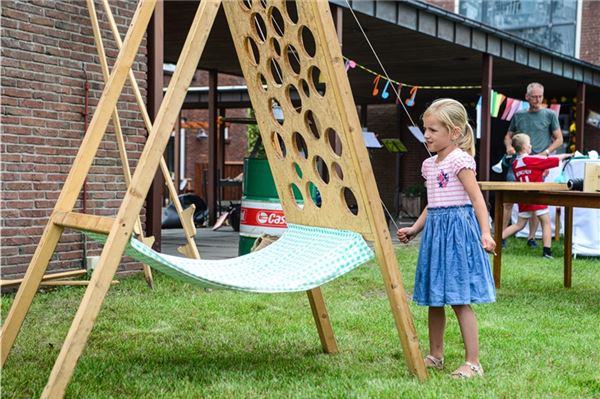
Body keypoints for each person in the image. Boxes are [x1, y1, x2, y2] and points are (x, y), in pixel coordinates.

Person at [396, 99, 496, 379]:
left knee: (459, 299)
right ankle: (436, 355)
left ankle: (473, 362)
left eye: (433, 130)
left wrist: (485, 232)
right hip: (436, 234)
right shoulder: (429, 165)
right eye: (425, 128)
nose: (426, 135)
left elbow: (477, 198)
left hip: (458, 233)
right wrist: (415, 229)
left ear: (453, 132)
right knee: (435, 298)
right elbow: (433, 203)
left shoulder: (460, 160)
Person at [502, 82, 563, 248]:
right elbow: (508, 136)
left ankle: (531, 238)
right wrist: (509, 146)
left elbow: (559, 139)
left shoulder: (550, 114)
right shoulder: (519, 115)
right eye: (534, 97)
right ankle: (502, 236)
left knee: (536, 200)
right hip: (518, 162)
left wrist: (546, 153)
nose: (537, 99)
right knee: (508, 200)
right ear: (527, 97)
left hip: (538, 164)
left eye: (540, 96)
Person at [502, 134, 572, 258]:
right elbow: (552, 160)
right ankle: (547, 251)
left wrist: (540, 171)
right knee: (545, 223)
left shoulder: (515, 163)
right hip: (536, 196)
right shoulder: (530, 159)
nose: (531, 146)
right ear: (524, 147)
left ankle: (497, 239)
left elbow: (529, 172)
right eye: (529, 144)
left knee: (519, 225)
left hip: (524, 198)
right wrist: (568, 155)